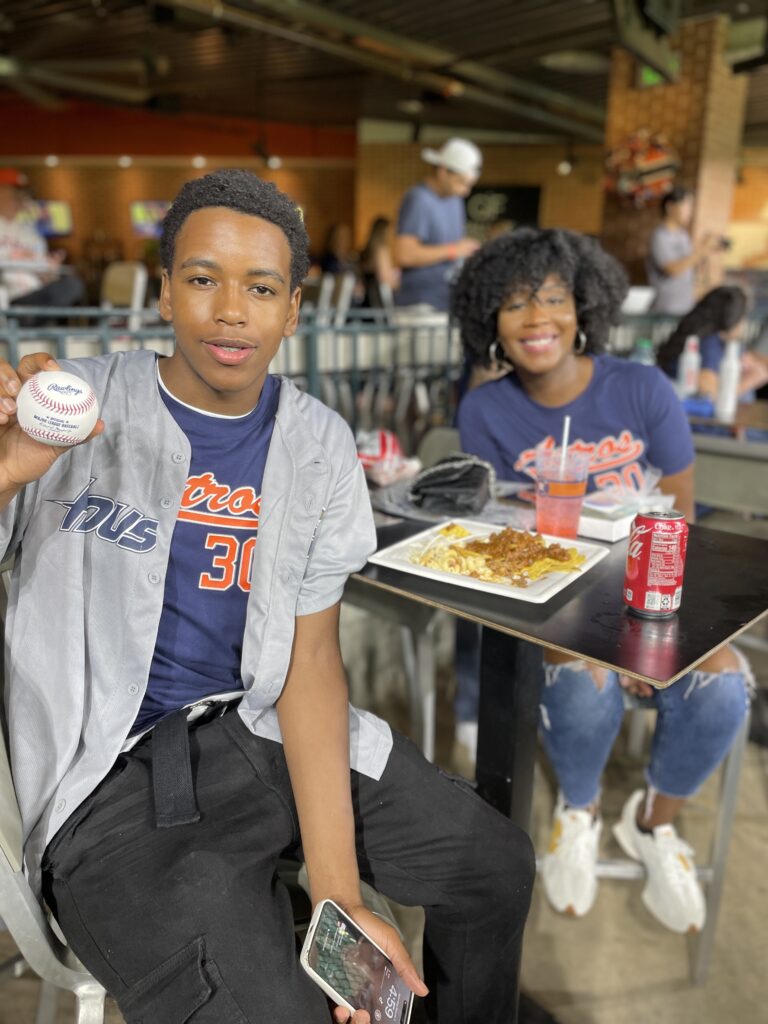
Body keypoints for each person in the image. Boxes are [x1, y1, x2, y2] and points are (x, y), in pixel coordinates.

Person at [0, 168, 534, 1023]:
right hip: (111, 782)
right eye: (203, 279)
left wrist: (339, 897)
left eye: (261, 286)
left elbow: (311, 662)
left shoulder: (319, 445)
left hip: (266, 729)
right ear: (165, 290)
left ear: (293, 309)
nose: (229, 310)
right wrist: (5, 471)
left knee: (494, 864)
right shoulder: (71, 411)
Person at [451, 227, 751, 935]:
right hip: (556, 601)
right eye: (514, 303)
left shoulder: (641, 388)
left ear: (585, 307)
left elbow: (682, 514)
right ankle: (578, 809)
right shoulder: (484, 411)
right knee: (582, 676)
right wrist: (602, 641)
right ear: (488, 319)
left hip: (655, 593)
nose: (536, 318)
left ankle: (651, 823)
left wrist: (661, 636)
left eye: (553, 298)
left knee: (726, 682)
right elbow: (500, 548)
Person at [394, 138, 482, 312]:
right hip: (421, 304)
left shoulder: (454, 200)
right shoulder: (419, 199)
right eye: (460, 182)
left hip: (448, 300)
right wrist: (453, 250)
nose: (465, 190)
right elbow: (403, 254)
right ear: (443, 172)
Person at [656, 284, 768, 401]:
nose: (744, 323)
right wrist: (751, 379)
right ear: (733, 318)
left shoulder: (718, 341)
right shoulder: (709, 344)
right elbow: (709, 393)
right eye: (743, 316)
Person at [0, 167, 85, 308]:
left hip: (31, 298)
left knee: (72, 285)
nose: (19, 198)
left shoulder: (32, 235)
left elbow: (46, 277)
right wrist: (13, 256)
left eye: (22, 193)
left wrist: (49, 270)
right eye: (13, 192)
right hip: (4, 296)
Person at [646, 185, 722, 315]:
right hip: (665, 309)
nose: (689, 211)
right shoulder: (660, 236)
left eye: (691, 207)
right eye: (686, 206)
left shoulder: (683, 236)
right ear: (670, 207)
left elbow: (689, 265)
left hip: (686, 307)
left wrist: (707, 250)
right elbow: (673, 270)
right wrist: (702, 250)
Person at [359, 216, 400, 309]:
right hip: (379, 306)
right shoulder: (381, 250)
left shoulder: (366, 252)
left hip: (368, 302)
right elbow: (384, 278)